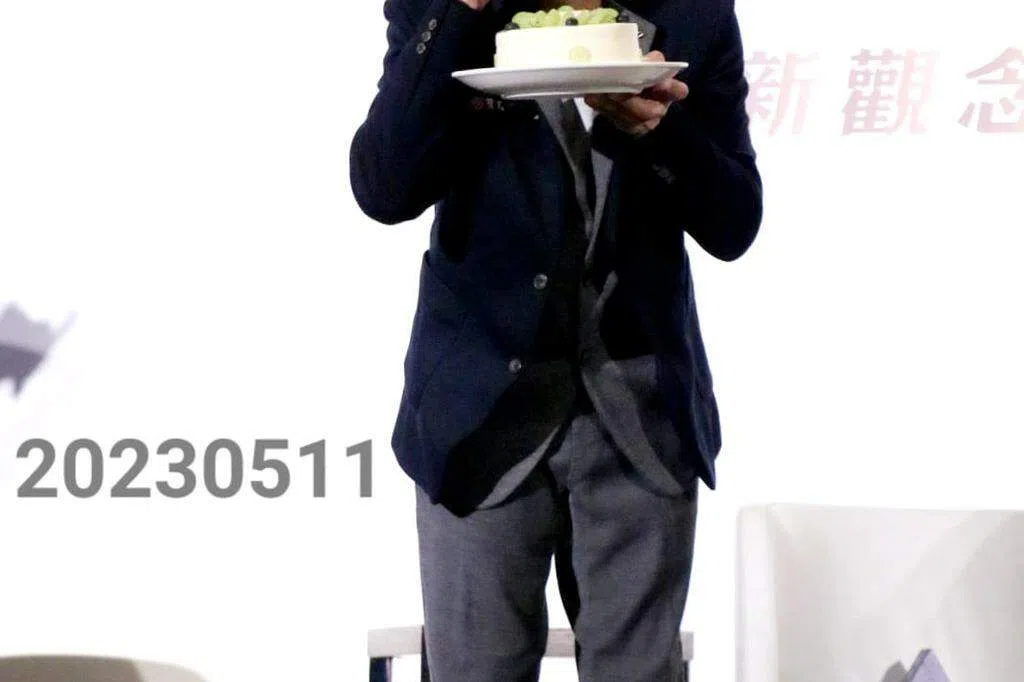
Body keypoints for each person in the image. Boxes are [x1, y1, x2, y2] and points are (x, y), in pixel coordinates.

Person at [350, 0, 762, 678]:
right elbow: (384, 186)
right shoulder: (443, 11)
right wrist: (461, 12)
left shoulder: (693, 12)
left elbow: (735, 222)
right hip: (477, 412)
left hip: (640, 417)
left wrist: (661, 131)